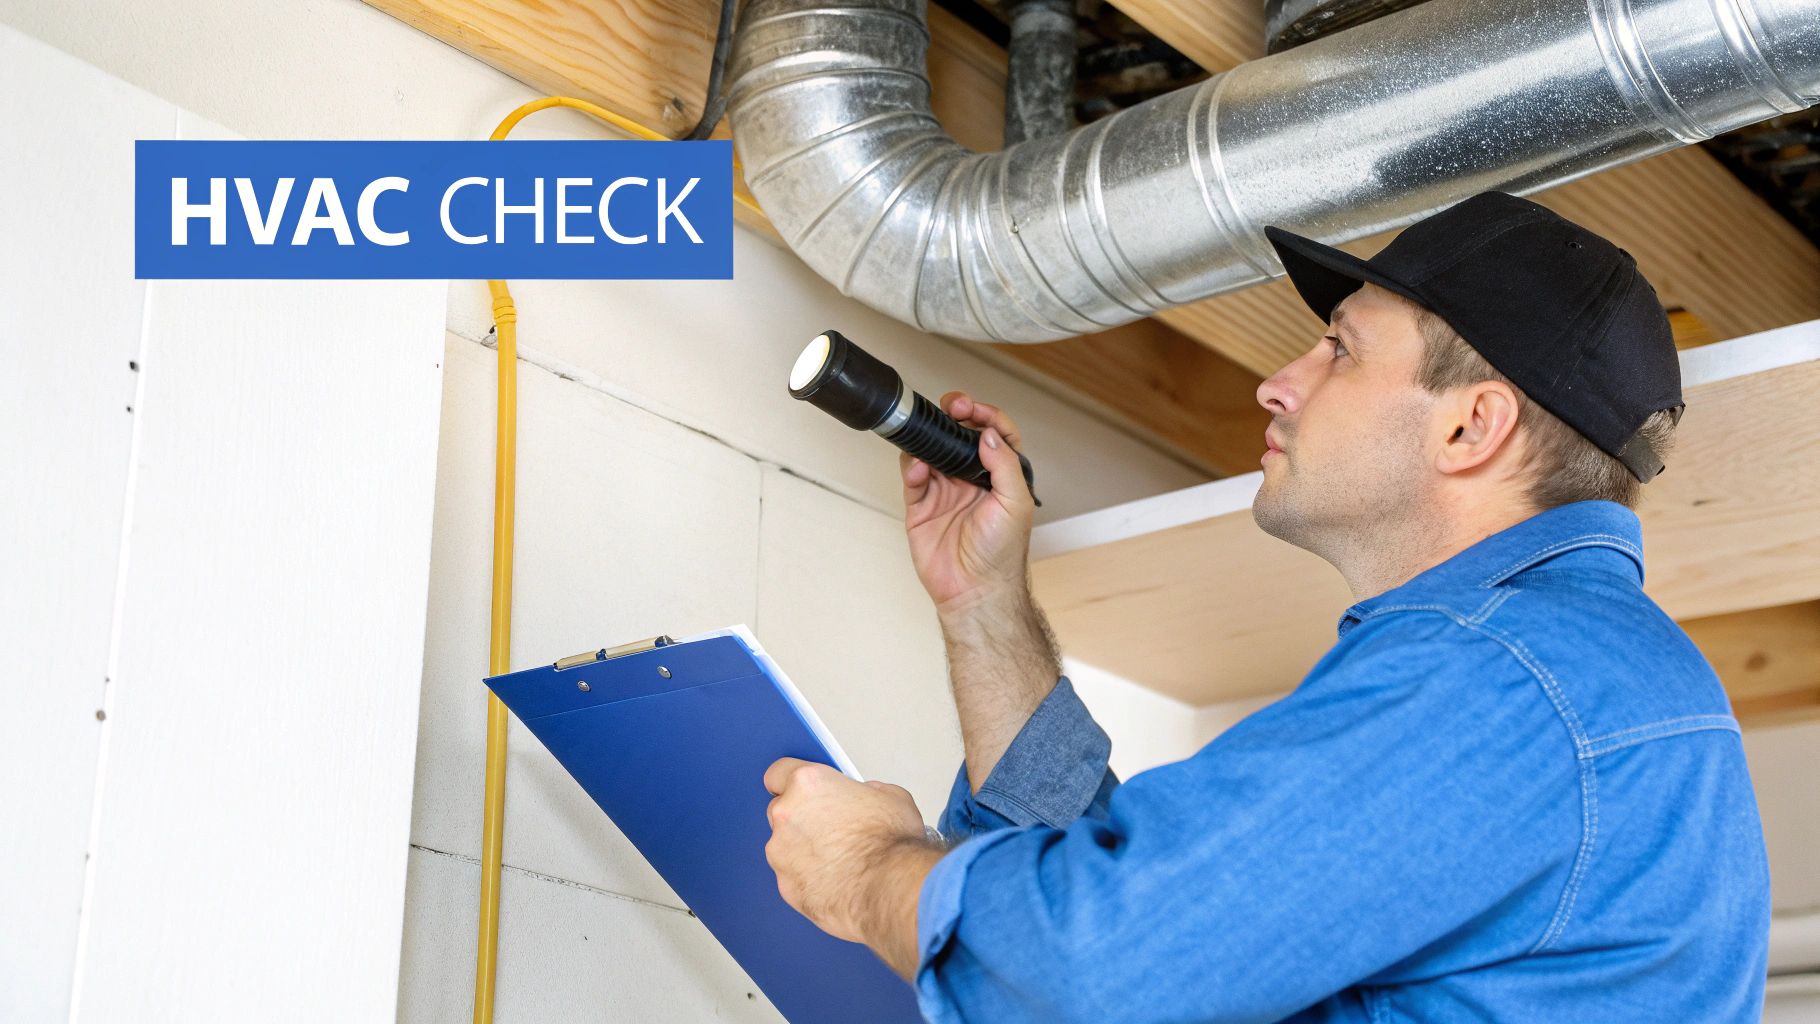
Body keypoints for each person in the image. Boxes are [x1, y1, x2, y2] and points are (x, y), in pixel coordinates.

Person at [760, 191, 1770, 1022]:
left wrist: (866, 871)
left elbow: (1101, 963)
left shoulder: (1502, 672)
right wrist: (984, 603)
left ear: (1470, 426)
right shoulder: (1553, 674)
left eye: (1337, 348)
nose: (1274, 385)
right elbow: (1176, 930)